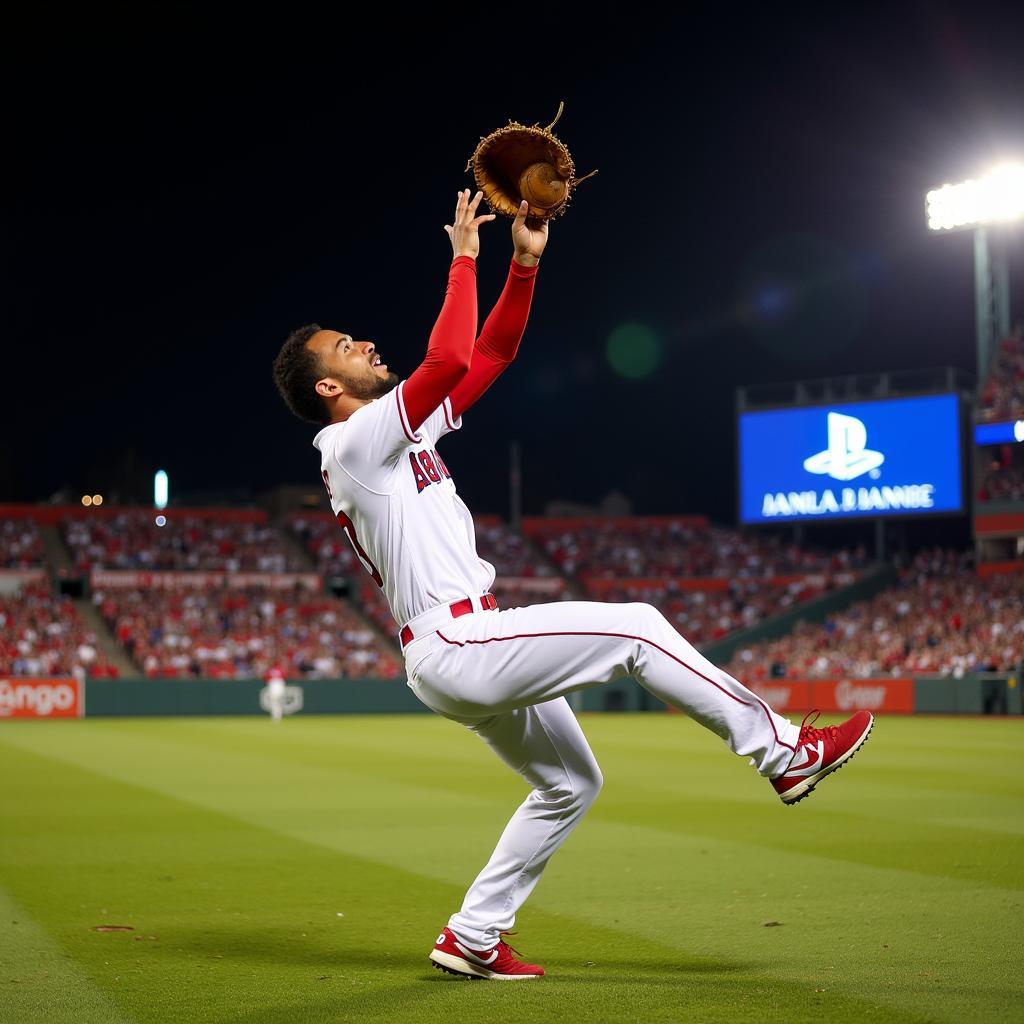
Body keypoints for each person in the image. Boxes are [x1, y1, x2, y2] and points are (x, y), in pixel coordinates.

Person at [271, 189, 874, 980]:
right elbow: (446, 358)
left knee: (569, 785)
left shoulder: (395, 433)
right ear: (326, 387)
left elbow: (487, 358)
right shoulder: (351, 440)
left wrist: (523, 262)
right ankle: (783, 753)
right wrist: (462, 254)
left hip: (455, 644)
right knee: (636, 625)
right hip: (456, 640)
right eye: (347, 347)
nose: (365, 345)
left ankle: (472, 935)